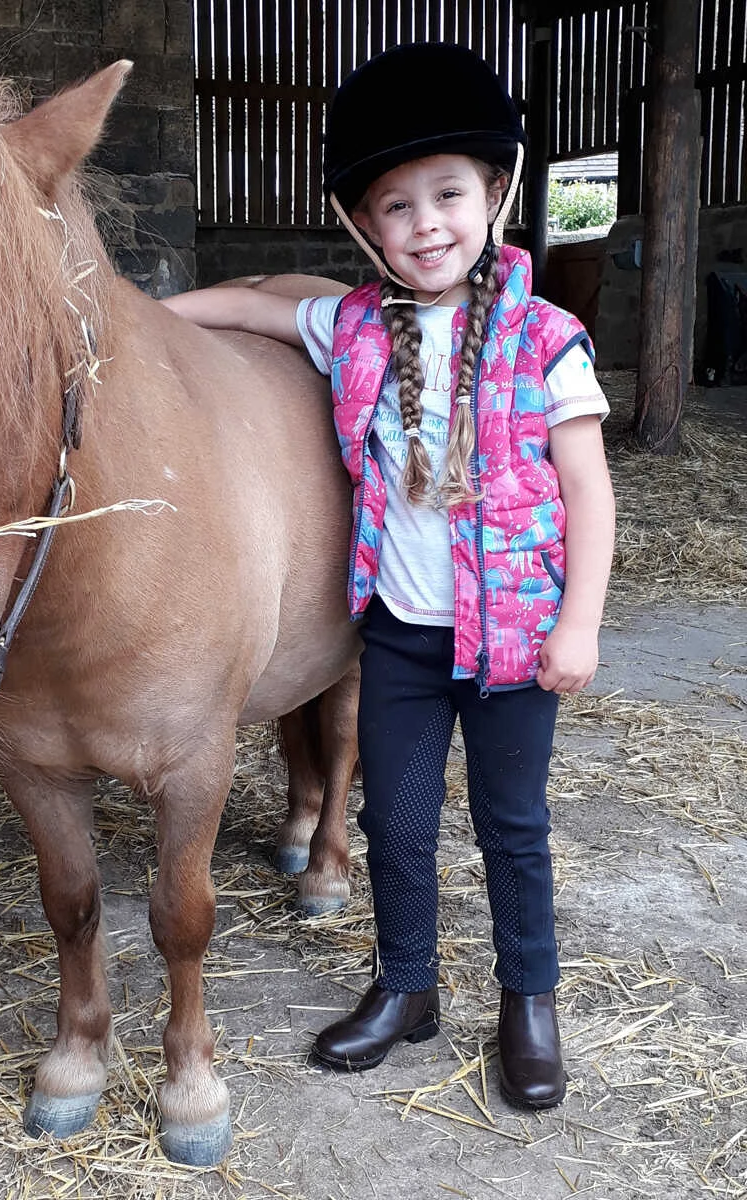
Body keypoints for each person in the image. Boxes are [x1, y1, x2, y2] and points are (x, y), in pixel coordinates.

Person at [163, 41, 615, 1110]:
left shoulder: (548, 341)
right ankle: (406, 987)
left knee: (512, 828)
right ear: (366, 226)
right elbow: (253, 307)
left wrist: (580, 626)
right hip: (404, 639)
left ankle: (528, 1002)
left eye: (448, 194)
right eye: (397, 206)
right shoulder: (355, 325)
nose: (427, 225)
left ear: (495, 192)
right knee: (394, 825)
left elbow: (591, 494)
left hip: (513, 643)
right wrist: (143, 325)